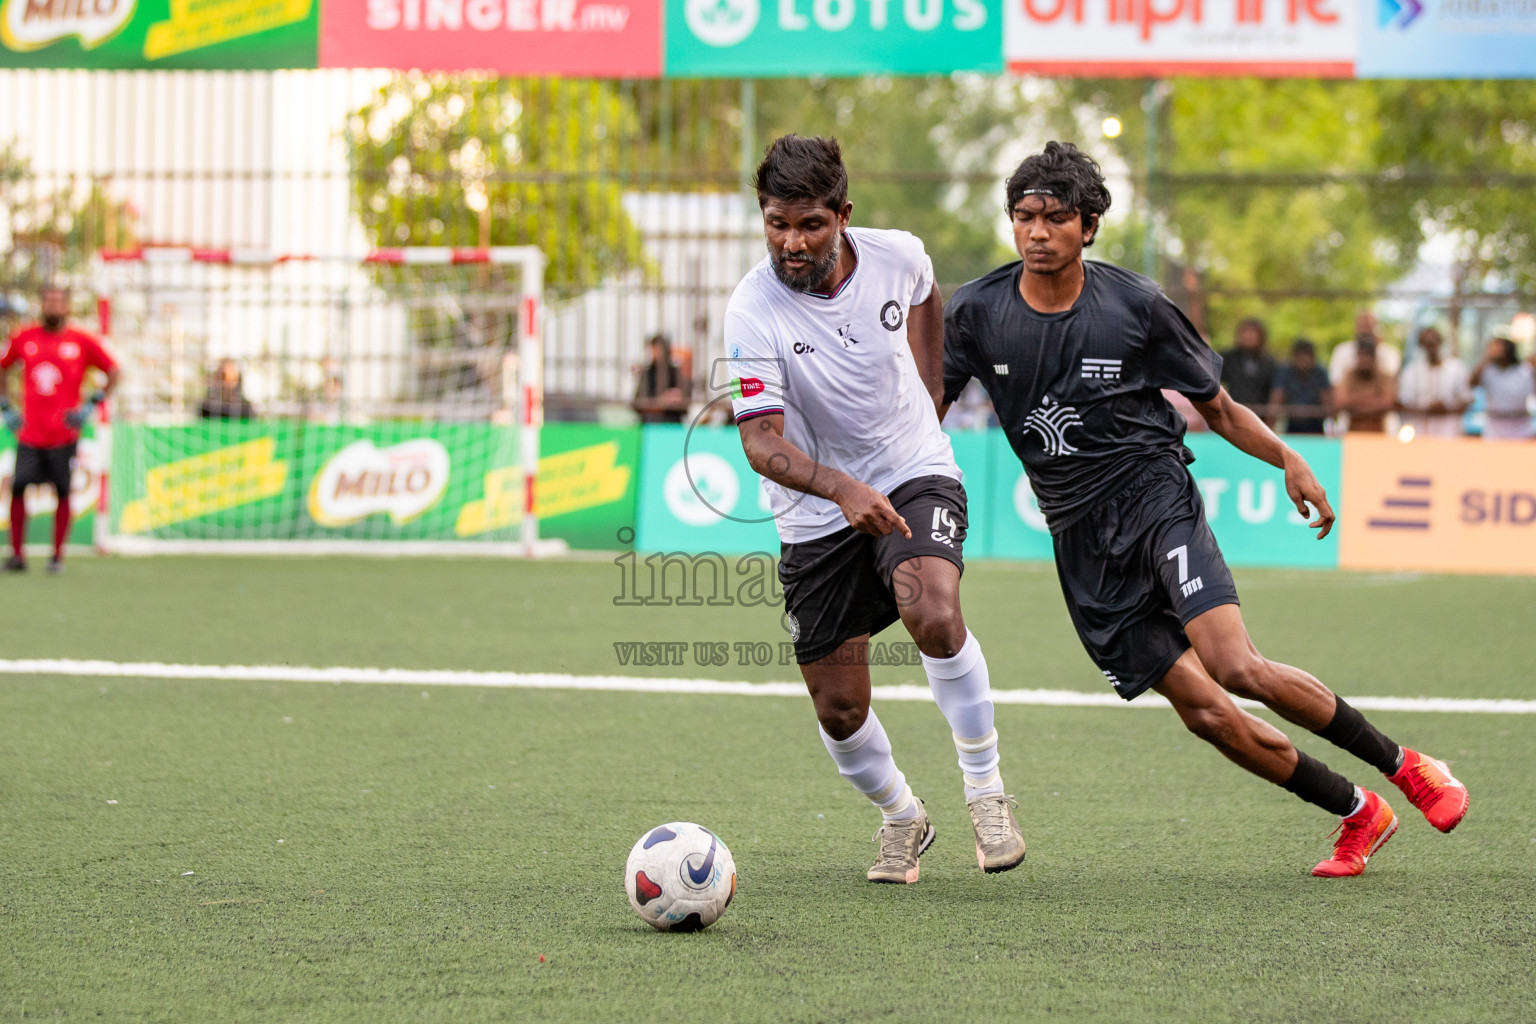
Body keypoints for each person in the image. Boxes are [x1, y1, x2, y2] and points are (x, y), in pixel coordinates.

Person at [941, 141, 1468, 878]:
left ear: (1088, 226)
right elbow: (920, 411)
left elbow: (1218, 409)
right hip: (1080, 541)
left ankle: (1408, 767)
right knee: (1208, 715)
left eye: (1055, 218)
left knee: (1234, 665)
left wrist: (1289, 458)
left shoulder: (1138, 306)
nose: (1036, 232)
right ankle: (1359, 812)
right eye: (1024, 217)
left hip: (1154, 498)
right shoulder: (974, 312)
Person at [727, 134, 1025, 884]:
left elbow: (927, 297)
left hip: (911, 470)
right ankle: (902, 816)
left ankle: (986, 790)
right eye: (776, 223)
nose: (791, 243)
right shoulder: (751, 308)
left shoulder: (898, 254)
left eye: (809, 225)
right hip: (815, 514)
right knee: (838, 710)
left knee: (931, 606)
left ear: (843, 215)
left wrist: (927, 401)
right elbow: (763, 446)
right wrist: (842, 490)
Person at [0, 285, 120, 574]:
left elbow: (113, 370)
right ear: (41, 304)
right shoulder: (24, 337)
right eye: (48, 301)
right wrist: (5, 407)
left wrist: (92, 405)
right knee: (17, 488)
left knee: (63, 491)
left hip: (64, 435)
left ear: (66, 306)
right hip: (29, 433)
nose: (53, 306)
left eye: (58, 301)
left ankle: (57, 557)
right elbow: (2, 367)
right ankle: (18, 556)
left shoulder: (80, 340)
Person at [1396, 327, 1471, 439]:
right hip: (1419, 433)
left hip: (1450, 432)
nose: (1431, 347)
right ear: (1421, 346)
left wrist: (1447, 408)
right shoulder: (1411, 371)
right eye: (1427, 343)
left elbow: (1467, 399)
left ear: (1440, 342)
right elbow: (1403, 403)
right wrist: (1427, 409)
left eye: (1434, 342)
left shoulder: (1456, 368)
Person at [1470, 335, 1534, 440]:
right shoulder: (1487, 370)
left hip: (1521, 426)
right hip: (1495, 426)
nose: (1493, 349)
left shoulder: (1525, 370)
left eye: (1497, 346)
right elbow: (1471, 383)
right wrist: (1486, 359)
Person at [1268, 339, 1333, 435]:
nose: (1303, 359)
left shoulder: (1320, 373)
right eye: (1299, 355)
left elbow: (1327, 401)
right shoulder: (1285, 372)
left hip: (1316, 427)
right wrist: (1269, 430)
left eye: (1306, 355)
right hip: (1291, 425)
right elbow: (1276, 398)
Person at [1219, 317, 1278, 422]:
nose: (1249, 336)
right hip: (1231, 415)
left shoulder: (1269, 363)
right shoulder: (1227, 359)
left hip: (1259, 418)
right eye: (1246, 332)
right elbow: (1220, 386)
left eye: (1253, 332)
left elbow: (1274, 394)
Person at [1335, 338, 1397, 434]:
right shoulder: (1349, 375)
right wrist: (1370, 395)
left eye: (1367, 355)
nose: (1364, 360)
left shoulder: (1384, 376)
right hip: (1353, 434)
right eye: (1361, 355)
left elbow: (1387, 403)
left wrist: (1355, 404)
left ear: (1374, 357)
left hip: (1378, 435)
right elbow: (1341, 401)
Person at [1328, 312, 1401, 387]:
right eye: (1362, 326)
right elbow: (1335, 382)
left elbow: (1391, 381)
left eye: (1368, 326)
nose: (1365, 330)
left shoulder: (1390, 352)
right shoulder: (1341, 350)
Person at [632, 334, 690, 424]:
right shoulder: (647, 374)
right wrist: (659, 402)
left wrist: (676, 398)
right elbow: (637, 403)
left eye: (659, 349)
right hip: (651, 422)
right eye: (654, 349)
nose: (656, 352)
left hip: (671, 421)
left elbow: (686, 402)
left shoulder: (675, 373)